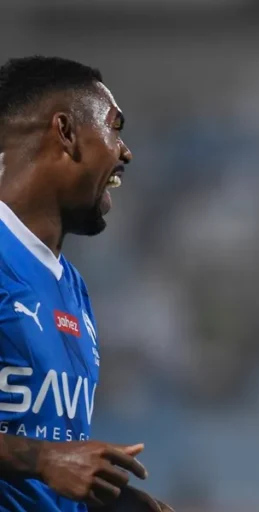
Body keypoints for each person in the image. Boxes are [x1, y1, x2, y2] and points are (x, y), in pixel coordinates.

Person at [0, 57, 172, 512]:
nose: (125, 152)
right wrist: (43, 459)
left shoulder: (71, 286)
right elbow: (45, 458)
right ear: (66, 131)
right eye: (114, 127)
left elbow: (42, 467)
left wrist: (115, 503)